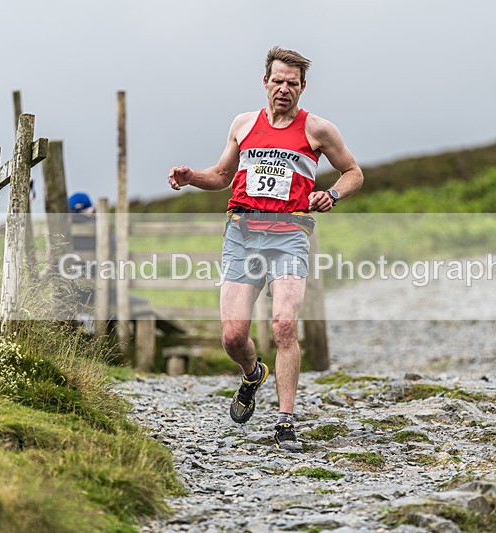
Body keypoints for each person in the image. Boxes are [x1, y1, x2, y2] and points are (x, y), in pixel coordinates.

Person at [167, 46, 363, 452]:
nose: (284, 90)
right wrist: (191, 177)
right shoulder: (243, 124)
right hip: (242, 233)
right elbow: (222, 175)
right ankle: (253, 373)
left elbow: (353, 172)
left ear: (303, 87)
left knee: (284, 325)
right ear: (265, 82)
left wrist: (332, 195)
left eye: (293, 84)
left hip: (290, 234)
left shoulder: (319, 130)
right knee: (232, 335)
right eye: (278, 81)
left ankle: (286, 420)